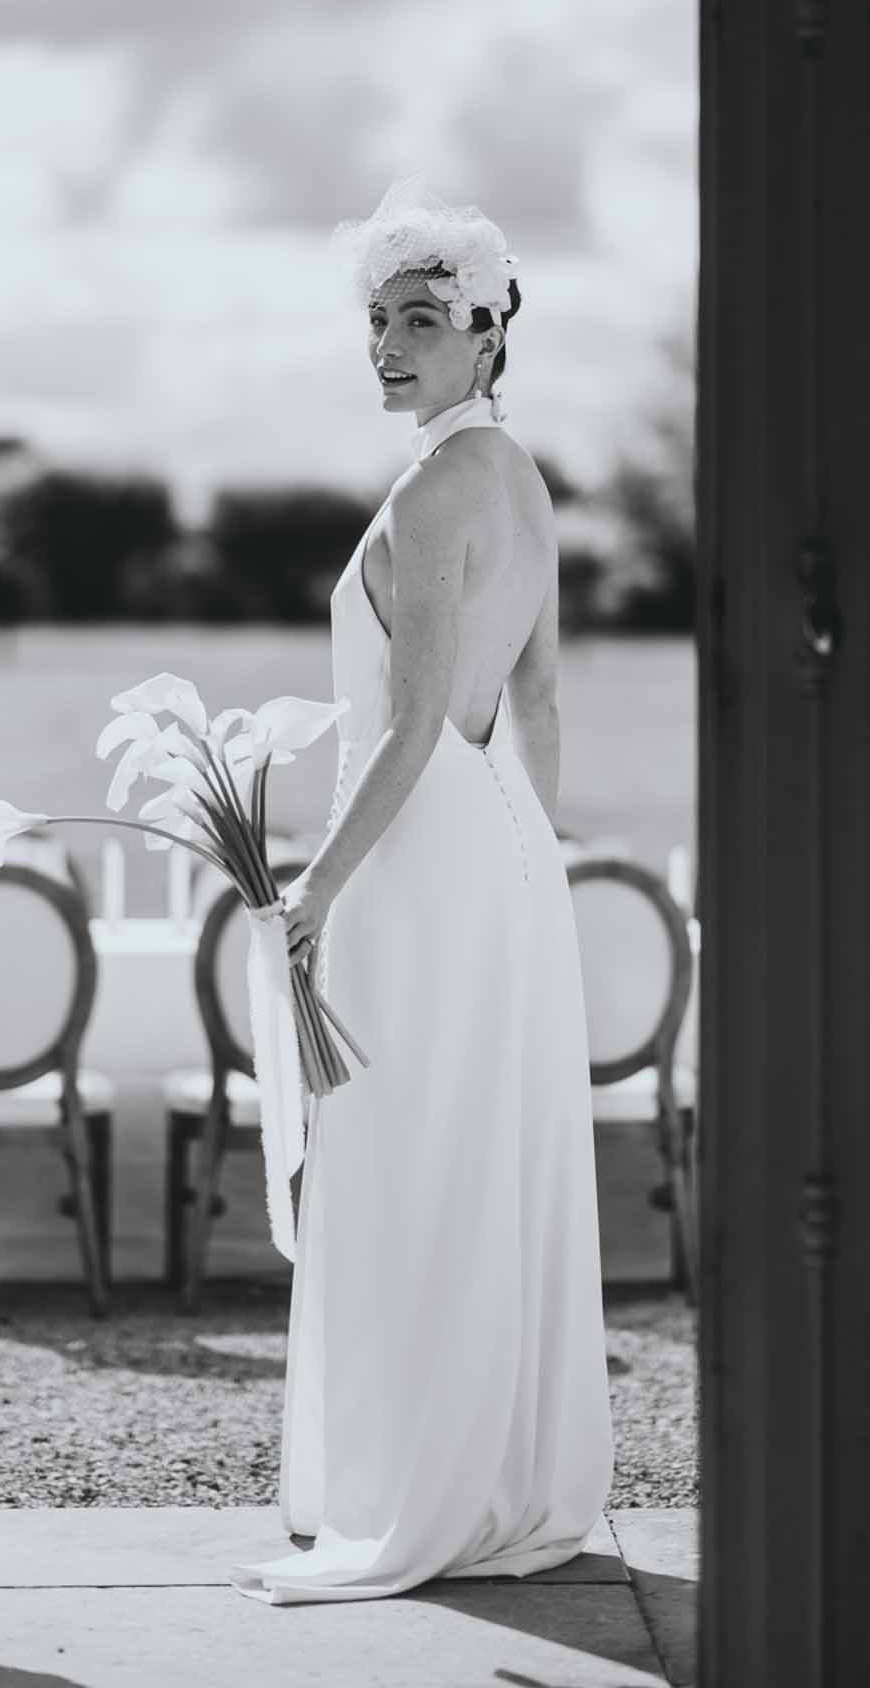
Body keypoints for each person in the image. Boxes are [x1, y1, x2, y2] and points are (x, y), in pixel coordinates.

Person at [229, 178, 614, 1605]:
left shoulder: (433, 486)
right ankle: (494, 1476)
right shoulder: (518, 480)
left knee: (412, 1170)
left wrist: (311, 892)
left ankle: (415, 1495)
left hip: (418, 849)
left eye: (418, 321)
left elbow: (406, 727)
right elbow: (542, 702)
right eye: (375, 320)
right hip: (502, 851)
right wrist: (526, 874)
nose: (385, 346)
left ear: (487, 333)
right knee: (478, 1161)